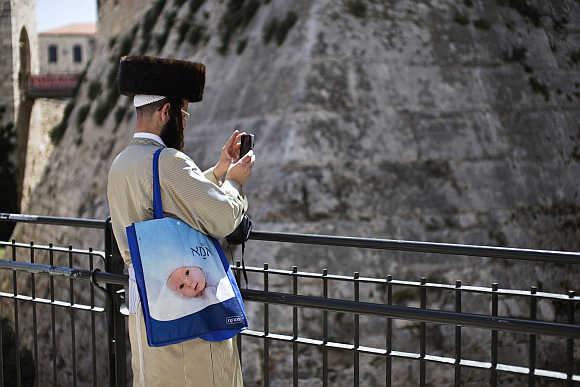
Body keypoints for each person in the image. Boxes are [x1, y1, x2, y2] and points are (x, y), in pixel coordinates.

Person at [107, 56, 254, 386]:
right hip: (189, 319)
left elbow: (168, 206)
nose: (185, 122)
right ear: (165, 113)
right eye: (184, 113)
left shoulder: (122, 163)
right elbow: (222, 217)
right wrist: (234, 182)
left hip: (148, 305)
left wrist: (217, 171)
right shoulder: (169, 162)